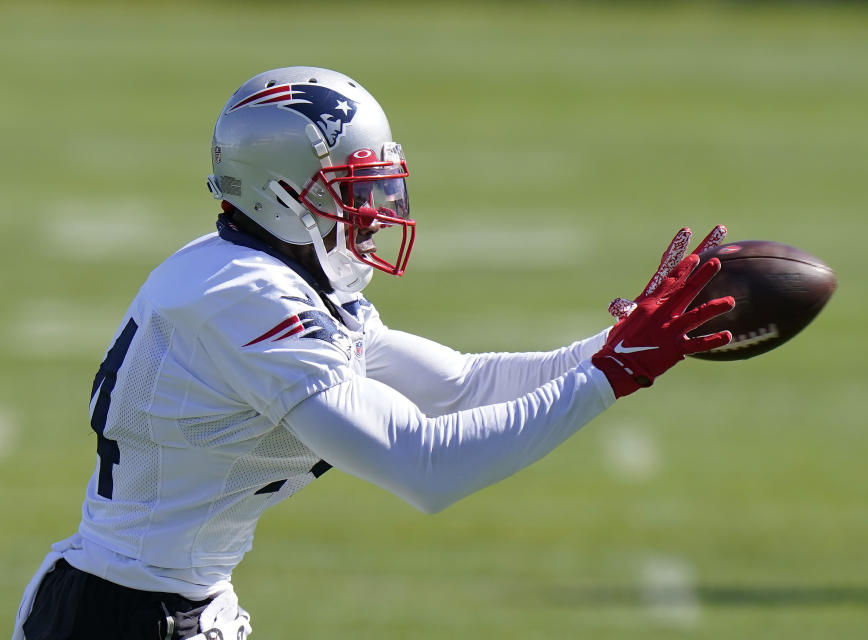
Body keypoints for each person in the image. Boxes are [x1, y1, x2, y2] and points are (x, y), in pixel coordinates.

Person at [12, 66, 734, 639]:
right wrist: (615, 373)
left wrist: (621, 340)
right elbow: (424, 464)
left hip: (163, 598)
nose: (375, 212)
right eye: (352, 189)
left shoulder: (271, 273)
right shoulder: (244, 296)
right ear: (281, 192)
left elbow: (459, 385)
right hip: (131, 614)